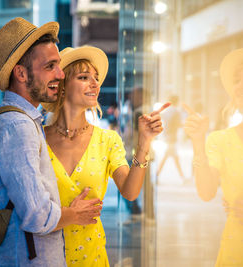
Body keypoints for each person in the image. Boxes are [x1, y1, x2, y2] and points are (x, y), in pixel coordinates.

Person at [0, 17, 102, 266]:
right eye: (50, 66)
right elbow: (37, 216)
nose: (60, 74)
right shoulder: (18, 126)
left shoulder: (23, 121)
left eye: (58, 65)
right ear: (21, 73)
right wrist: (75, 214)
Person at [42, 46, 169, 266]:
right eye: (84, 77)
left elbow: (130, 192)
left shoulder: (107, 140)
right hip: (44, 257)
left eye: (96, 78)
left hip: (91, 256)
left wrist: (144, 143)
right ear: (62, 87)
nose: (94, 84)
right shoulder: (38, 139)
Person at [183, 48, 243, 266]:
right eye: (236, 80)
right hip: (238, 250)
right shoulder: (221, 139)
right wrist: (197, 142)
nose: (241, 87)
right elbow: (206, 192)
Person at [156, 95, 186, 184]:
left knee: (171, 158)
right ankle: (182, 177)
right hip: (172, 138)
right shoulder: (176, 112)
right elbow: (177, 124)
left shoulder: (167, 111)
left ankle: (157, 176)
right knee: (172, 158)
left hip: (167, 136)